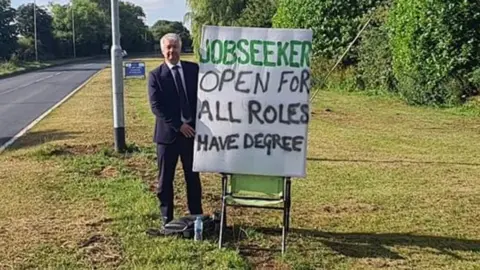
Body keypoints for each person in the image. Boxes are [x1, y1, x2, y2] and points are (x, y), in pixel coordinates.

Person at [147, 33, 203, 226]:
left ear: (181, 48)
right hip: (167, 137)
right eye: (168, 48)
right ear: (163, 51)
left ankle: (197, 216)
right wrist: (179, 126)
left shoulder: (194, 70)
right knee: (165, 181)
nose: (172, 51)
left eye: (175, 47)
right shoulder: (155, 76)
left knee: (193, 177)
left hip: (191, 136)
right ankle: (166, 218)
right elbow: (156, 107)